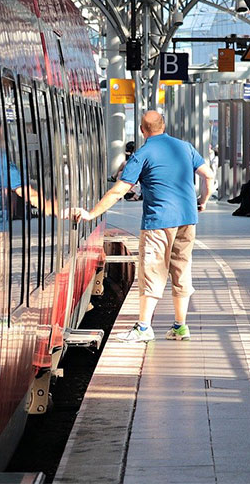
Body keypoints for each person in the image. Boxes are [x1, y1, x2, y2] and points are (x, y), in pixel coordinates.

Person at [71, 111, 214, 343]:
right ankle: (180, 326)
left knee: (152, 272)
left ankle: (144, 327)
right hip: (188, 220)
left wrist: (91, 214)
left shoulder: (143, 154)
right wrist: (203, 201)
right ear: (164, 125)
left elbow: (119, 190)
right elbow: (208, 176)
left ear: (141, 130)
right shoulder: (185, 147)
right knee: (181, 270)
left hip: (158, 222)